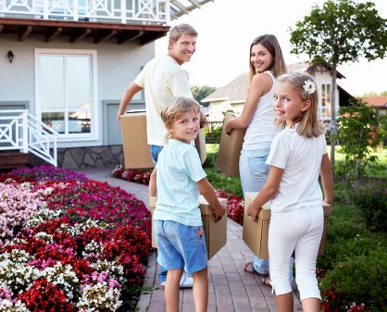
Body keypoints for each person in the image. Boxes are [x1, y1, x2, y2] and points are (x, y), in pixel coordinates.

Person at [117, 23, 199, 287]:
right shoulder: (176, 73)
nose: (190, 48)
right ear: (171, 44)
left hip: (156, 145)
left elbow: (130, 90)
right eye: (185, 43)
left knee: (165, 208)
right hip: (175, 146)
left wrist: (121, 115)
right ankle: (172, 273)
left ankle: (168, 272)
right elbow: (190, 111)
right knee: (179, 210)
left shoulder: (153, 65)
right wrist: (202, 121)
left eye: (194, 43)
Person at [247, 72, 333, 312]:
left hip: (287, 216)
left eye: (286, 99)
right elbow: (326, 172)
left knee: (280, 273)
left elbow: (272, 187)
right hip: (313, 215)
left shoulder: (284, 139)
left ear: (305, 105)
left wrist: (254, 206)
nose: (277, 103)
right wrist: (328, 200)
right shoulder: (317, 136)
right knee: (306, 274)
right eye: (276, 97)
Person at [149, 96, 226, 312]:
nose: (192, 125)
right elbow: (203, 186)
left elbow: (153, 178)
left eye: (194, 119)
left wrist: (153, 203)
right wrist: (218, 209)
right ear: (169, 126)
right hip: (185, 223)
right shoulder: (188, 151)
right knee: (199, 272)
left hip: (162, 221)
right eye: (183, 121)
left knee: (173, 272)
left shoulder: (164, 151)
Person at [223, 34, 287, 284]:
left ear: (273, 55)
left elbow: (244, 120)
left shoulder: (261, 79)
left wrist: (229, 123)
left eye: (261, 53)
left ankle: (269, 268)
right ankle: (270, 266)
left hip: (256, 152)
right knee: (276, 212)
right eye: (253, 54)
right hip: (276, 152)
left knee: (259, 212)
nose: (256, 59)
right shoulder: (282, 80)